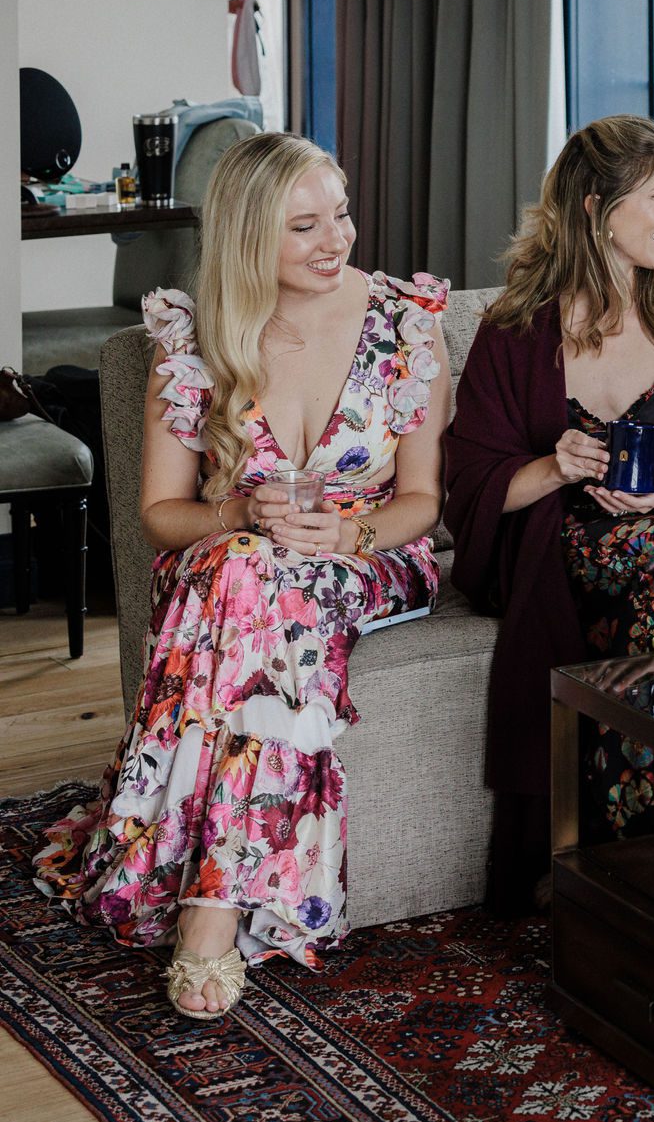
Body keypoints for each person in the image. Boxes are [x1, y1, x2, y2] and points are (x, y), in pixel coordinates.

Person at [34, 133, 450, 1019]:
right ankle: (228, 905)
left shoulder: (406, 323)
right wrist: (239, 515)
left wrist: (349, 530)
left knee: (248, 586)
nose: (334, 239)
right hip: (242, 565)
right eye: (303, 225)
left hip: (371, 556)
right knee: (248, 574)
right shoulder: (194, 338)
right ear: (248, 237)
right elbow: (161, 516)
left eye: (339, 211)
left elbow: (422, 502)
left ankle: (204, 919)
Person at [443, 114, 654, 912]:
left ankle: (644, 865)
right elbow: (471, 488)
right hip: (558, 554)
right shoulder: (515, 331)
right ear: (595, 205)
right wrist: (552, 467)